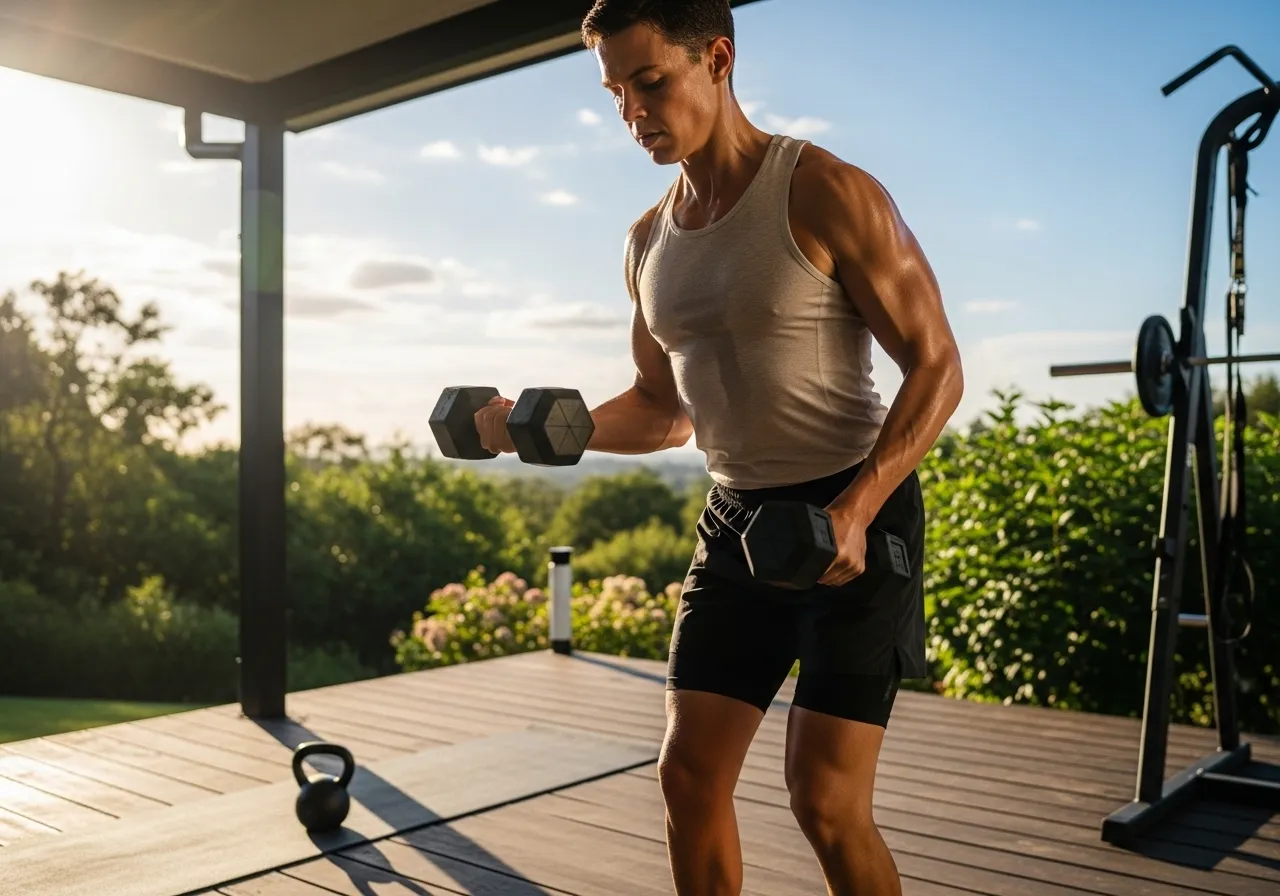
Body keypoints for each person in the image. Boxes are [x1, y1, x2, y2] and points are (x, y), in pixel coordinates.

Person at [475, 1, 964, 893]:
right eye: (617, 92)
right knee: (688, 777)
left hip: (853, 520)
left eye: (650, 82)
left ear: (719, 59)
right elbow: (665, 412)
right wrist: (530, 428)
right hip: (736, 522)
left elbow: (937, 367)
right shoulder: (647, 241)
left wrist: (855, 510)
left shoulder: (823, 189)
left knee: (823, 800)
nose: (633, 112)